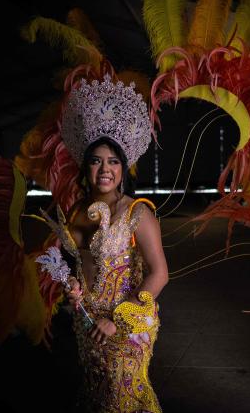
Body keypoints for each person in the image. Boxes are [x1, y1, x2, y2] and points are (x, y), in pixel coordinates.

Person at [42, 73, 168, 412]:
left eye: (113, 161)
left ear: (123, 168)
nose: (105, 169)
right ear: (86, 167)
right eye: (96, 161)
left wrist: (118, 319)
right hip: (87, 324)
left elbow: (159, 274)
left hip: (125, 324)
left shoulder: (137, 213)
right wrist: (72, 285)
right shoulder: (76, 209)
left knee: (120, 397)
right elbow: (77, 261)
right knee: (96, 394)